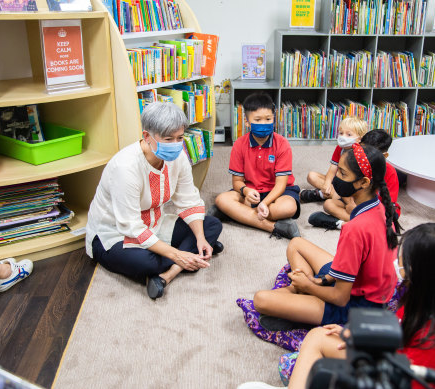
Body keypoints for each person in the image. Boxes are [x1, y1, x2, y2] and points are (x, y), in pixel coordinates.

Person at [239, 223, 435, 389]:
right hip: (392, 362)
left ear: (423, 273)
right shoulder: (420, 298)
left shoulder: (433, 340)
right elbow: (399, 332)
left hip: (393, 374)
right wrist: (362, 337)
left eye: (404, 260)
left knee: (311, 358)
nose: (397, 262)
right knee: (319, 336)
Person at [85, 102, 223, 300]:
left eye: (180, 137)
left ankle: (168, 275)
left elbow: (189, 200)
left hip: (154, 223)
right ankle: (189, 255)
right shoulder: (125, 167)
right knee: (147, 263)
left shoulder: (178, 156)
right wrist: (178, 255)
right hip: (114, 234)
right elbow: (131, 226)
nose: (176, 144)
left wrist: (200, 238)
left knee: (210, 225)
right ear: (147, 136)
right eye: (168, 139)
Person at [253, 143, 399, 329]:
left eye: (343, 174)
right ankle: (300, 298)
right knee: (296, 243)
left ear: (364, 182)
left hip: (356, 307)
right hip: (359, 283)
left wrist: (308, 286)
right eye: (338, 170)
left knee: (261, 300)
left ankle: (300, 298)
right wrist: (321, 280)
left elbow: (340, 297)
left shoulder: (354, 229)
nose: (335, 178)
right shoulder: (379, 206)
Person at [210, 92, 301, 240]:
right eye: (257, 120)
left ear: (274, 119)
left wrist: (264, 203)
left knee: (288, 208)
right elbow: (237, 182)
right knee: (221, 199)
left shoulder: (282, 144)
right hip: (251, 191)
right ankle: (274, 227)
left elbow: (281, 185)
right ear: (247, 122)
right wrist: (246, 191)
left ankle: (235, 214)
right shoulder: (239, 144)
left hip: (278, 192)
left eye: (268, 119)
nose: (264, 123)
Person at [310, 129, 400, 230]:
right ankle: (358, 223)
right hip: (355, 201)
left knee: (385, 223)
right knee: (328, 204)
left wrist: (357, 209)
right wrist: (349, 203)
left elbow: (386, 205)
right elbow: (349, 188)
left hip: (377, 210)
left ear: (384, 156)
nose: (362, 156)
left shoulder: (390, 172)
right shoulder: (356, 164)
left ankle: (340, 224)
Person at [300, 116, 368, 204]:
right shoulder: (339, 148)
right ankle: (327, 192)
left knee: (341, 199)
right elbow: (333, 168)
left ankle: (322, 194)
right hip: (337, 180)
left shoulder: (361, 154)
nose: (343, 137)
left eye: (349, 134)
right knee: (311, 176)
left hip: (350, 186)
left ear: (360, 138)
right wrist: (327, 183)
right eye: (341, 133)